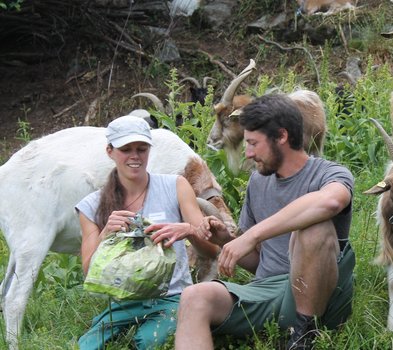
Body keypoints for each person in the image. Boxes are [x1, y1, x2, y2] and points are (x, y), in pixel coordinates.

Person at [175, 94, 356, 350]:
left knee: (313, 226)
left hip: (321, 297)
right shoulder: (258, 182)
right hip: (267, 292)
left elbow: (331, 202)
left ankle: (303, 339)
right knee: (194, 297)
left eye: (253, 143)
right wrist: (226, 240)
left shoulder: (330, 173)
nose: (248, 153)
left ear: (281, 137)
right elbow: (260, 262)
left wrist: (252, 235)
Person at [76, 115, 219, 350]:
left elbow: (211, 251)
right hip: (123, 301)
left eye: (142, 149)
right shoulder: (91, 206)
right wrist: (105, 235)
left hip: (173, 296)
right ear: (110, 151)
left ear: (150, 150)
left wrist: (189, 231)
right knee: (87, 346)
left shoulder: (175, 186)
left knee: (149, 341)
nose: (135, 156)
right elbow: (88, 270)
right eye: (126, 149)